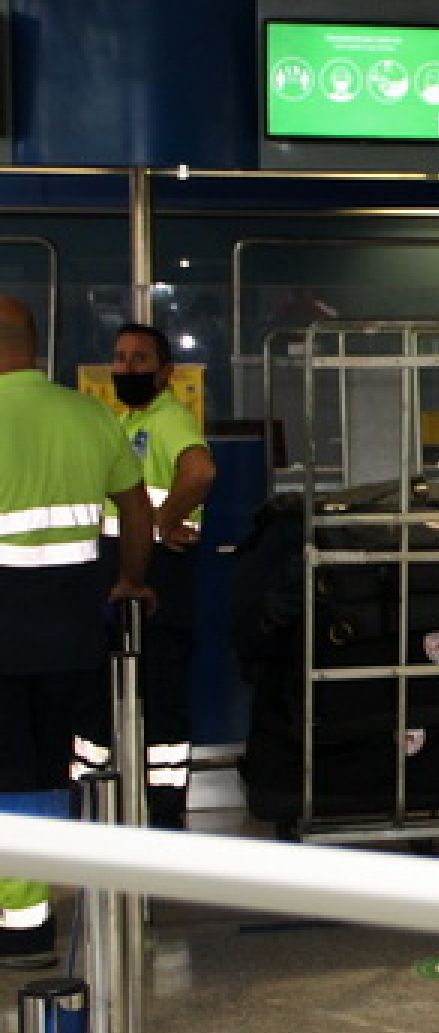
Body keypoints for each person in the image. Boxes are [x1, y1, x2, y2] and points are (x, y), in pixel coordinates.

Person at [0, 297, 154, 967]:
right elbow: (136, 511)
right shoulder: (89, 415)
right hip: (68, 630)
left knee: (10, 769)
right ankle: (30, 920)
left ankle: (20, 919)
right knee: (44, 766)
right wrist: (131, 579)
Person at [71, 322, 216, 830]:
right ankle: (93, 804)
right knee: (97, 697)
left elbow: (199, 471)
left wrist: (160, 523)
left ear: (164, 371)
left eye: (139, 359)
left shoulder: (167, 418)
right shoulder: (124, 422)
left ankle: (164, 818)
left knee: (160, 698)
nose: (126, 367)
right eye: (119, 357)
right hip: (119, 570)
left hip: (160, 574)